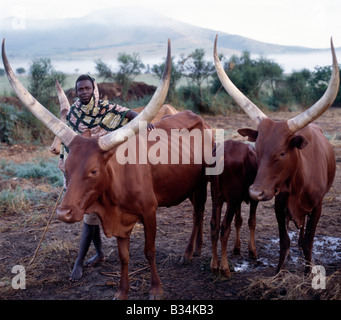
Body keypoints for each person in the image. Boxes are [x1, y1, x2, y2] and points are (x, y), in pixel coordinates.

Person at [59, 74, 154, 282]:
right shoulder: (73, 113)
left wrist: (140, 120)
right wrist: (68, 168)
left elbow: (126, 113)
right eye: (80, 89)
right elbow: (68, 142)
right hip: (81, 171)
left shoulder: (105, 107)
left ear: (94, 89)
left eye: (86, 88)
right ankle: (90, 256)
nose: (83, 92)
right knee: (90, 214)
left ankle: (82, 260)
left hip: (104, 167)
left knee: (91, 216)